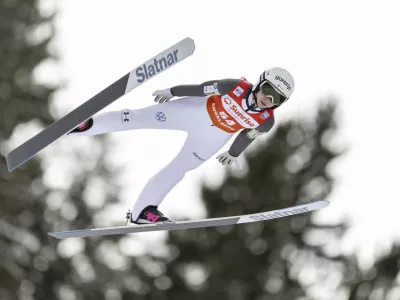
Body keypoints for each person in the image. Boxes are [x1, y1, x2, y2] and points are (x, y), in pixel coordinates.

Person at [68, 67, 295, 224]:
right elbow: (202, 88)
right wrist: (173, 91)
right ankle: (89, 125)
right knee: (140, 117)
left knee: (179, 170)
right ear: (260, 83)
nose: (268, 99)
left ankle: (143, 211)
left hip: (214, 136)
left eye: (276, 99)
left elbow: (248, 135)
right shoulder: (236, 87)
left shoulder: (266, 121)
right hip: (194, 112)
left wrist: (234, 153)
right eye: (267, 90)